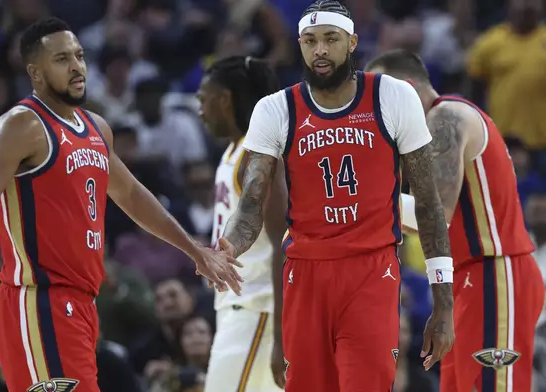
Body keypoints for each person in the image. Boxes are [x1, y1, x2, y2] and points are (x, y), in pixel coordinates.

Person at [0, 17, 243, 392]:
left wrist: (194, 250)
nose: (76, 66)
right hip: (39, 303)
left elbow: (132, 195)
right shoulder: (22, 126)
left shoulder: (96, 128)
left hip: (83, 304)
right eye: (62, 59)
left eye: (79, 55)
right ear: (35, 73)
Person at [217, 1, 456, 391]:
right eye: (310, 41)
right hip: (305, 273)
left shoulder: (392, 96)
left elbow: (428, 203)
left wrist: (443, 303)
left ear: (352, 42)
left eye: (331, 39)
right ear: (300, 46)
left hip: (370, 270)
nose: (320, 50)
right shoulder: (276, 109)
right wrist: (229, 247)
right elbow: (250, 205)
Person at [365, 49, 544, 392]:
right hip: (465, 277)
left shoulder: (446, 117)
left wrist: (351, 206)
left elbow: (436, 216)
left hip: (495, 273)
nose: (375, 114)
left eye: (379, 101)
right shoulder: (428, 131)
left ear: (404, 88)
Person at [196, 56, 288, 392]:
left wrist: (282, 335)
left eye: (203, 100)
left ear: (225, 99)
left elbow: (284, 243)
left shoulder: (257, 155)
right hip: (238, 312)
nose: (200, 111)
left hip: (259, 311)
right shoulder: (233, 152)